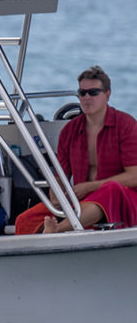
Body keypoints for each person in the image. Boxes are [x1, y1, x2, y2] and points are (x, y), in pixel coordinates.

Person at [14, 65, 137, 234]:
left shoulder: (126, 125)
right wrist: (55, 194)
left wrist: (89, 187)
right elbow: (60, 176)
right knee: (24, 220)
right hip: (81, 201)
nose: (87, 98)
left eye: (93, 93)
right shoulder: (69, 131)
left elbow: (134, 176)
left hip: (124, 198)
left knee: (111, 189)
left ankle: (58, 229)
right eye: (82, 93)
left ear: (107, 94)